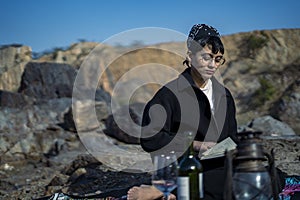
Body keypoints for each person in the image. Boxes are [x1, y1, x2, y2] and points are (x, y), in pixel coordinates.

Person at [128, 23, 238, 200]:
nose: (212, 65)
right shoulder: (168, 95)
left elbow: (232, 137)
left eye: (218, 59)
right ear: (190, 56)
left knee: (265, 175)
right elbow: (150, 138)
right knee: (217, 184)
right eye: (206, 57)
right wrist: (194, 145)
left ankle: (169, 193)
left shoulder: (224, 95)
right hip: (184, 167)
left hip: (220, 166)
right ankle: (167, 189)